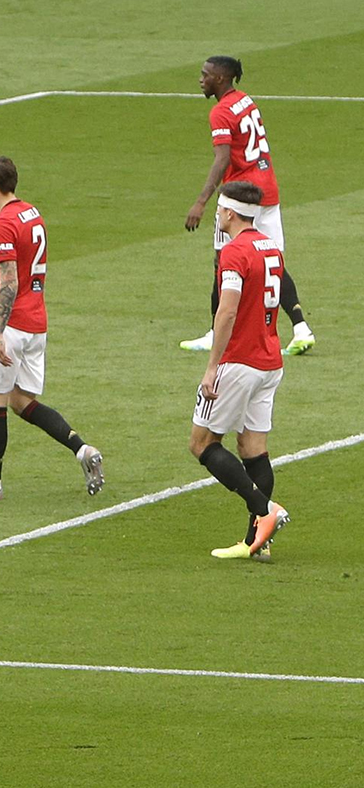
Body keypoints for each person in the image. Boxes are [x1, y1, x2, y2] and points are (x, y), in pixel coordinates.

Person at [0, 156, 103, 502]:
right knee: (21, 401)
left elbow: (9, 279)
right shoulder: (31, 214)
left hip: (12, 325)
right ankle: (82, 449)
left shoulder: (1, 224)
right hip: (36, 322)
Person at [181, 55, 315, 356]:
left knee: (223, 260)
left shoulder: (221, 112)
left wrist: (201, 201)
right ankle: (301, 328)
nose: (201, 79)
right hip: (267, 189)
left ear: (220, 78)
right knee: (272, 260)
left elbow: (222, 158)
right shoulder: (245, 100)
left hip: (239, 194)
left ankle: (216, 333)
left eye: (205, 74)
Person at [189, 182, 290, 560]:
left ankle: (265, 509)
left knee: (201, 443)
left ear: (230, 213)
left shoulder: (234, 252)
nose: (217, 213)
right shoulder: (270, 246)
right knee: (253, 449)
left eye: (219, 208)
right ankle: (257, 544)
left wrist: (212, 366)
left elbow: (228, 310)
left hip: (240, 361)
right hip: (269, 361)